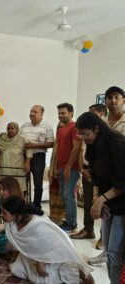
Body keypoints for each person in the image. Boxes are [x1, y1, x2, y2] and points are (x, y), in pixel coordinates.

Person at [76, 111, 125, 283]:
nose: (84, 138)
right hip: (110, 203)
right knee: (111, 252)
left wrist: (101, 199)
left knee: (114, 253)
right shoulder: (94, 145)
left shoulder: (117, 144)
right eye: (80, 135)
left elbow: (122, 180)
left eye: (86, 134)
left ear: (97, 128)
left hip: (123, 204)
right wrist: (98, 197)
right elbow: (95, 174)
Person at [3, 196, 94, 284]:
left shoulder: (38, 225)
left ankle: (79, 273)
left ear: (16, 215)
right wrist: (13, 258)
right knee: (16, 269)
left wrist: (40, 262)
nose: (1, 215)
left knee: (41, 279)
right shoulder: (12, 223)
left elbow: (54, 245)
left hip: (54, 254)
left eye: (4, 213)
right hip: (36, 255)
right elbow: (18, 244)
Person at [89, 87, 125, 266]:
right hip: (106, 178)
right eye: (109, 98)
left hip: (122, 178)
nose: (112, 101)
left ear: (123, 100)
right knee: (106, 221)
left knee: (119, 233)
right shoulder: (102, 123)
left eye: (116, 97)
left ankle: (113, 256)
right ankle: (107, 252)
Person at [71, 104, 107, 241]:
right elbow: (82, 151)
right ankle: (88, 229)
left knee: (104, 206)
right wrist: (82, 170)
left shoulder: (106, 133)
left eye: (93, 114)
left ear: (102, 115)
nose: (89, 118)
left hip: (102, 174)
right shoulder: (86, 131)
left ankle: (104, 237)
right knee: (87, 203)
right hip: (87, 171)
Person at [53, 103, 82, 233]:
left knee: (69, 195)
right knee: (64, 196)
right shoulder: (62, 129)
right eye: (59, 113)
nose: (60, 115)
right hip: (61, 167)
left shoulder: (75, 127)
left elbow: (76, 148)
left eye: (63, 113)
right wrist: (56, 168)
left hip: (71, 168)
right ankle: (68, 219)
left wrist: (69, 167)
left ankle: (72, 223)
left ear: (71, 113)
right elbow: (58, 150)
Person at [19, 105, 54, 208]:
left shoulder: (47, 126)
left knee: (38, 183)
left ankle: (36, 206)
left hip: (38, 157)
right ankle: (22, 204)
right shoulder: (24, 125)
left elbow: (51, 143)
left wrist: (33, 145)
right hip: (23, 157)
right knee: (23, 182)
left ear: (41, 114)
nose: (32, 113)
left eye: (35, 112)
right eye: (31, 111)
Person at [0, 122, 32, 196]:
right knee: (4, 188)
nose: (10, 130)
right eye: (8, 128)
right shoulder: (2, 138)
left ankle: (19, 205)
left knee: (18, 188)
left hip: (17, 169)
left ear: (17, 130)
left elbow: (29, 151)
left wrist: (27, 163)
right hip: (4, 168)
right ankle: (3, 205)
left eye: (12, 128)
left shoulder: (22, 139)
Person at [48, 122, 65, 224]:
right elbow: (53, 157)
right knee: (53, 194)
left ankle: (62, 218)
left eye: (62, 127)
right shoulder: (56, 140)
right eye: (58, 127)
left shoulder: (66, 140)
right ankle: (53, 216)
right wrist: (51, 170)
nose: (59, 129)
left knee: (62, 195)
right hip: (54, 171)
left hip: (62, 172)